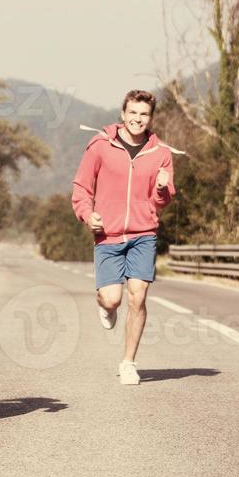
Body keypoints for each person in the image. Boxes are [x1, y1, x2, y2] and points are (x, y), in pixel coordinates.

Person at [70, 89, 176, 385]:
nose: (137, 119)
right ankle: (104, 304)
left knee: (138, 296)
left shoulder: (161, 154)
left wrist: (162, 188)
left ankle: (128, 362)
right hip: (109, 234)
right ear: (123, 114)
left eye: (144, 114)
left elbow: (161, 202)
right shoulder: (100, 146)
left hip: (144, 234)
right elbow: (81, 187)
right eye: (133, 113)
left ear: (150, 118)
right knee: (113, 299)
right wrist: (87, 214)